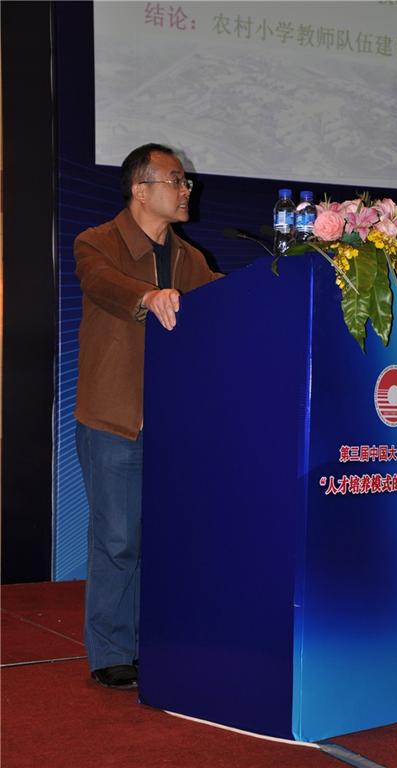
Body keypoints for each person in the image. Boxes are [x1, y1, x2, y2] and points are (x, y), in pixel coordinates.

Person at [74, 143, 221, 689]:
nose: (186, 190)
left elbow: (220, 303)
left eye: (186, 182)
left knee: (163, 540)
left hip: (172, 423)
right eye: (176, 180)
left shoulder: (189, 258)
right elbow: (103, 284)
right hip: (114, 420)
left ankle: (152, 643)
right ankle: (112, 650)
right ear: (141, 189)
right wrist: (149, 297)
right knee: (118, 539)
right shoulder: (97, 242)